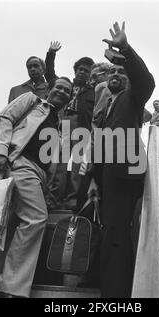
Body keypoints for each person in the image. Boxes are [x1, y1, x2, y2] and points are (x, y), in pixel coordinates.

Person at [0, 77, 73, 298]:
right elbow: (5, 117)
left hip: (38, 175)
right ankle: (11, 289)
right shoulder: (32, 101)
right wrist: (0, 151)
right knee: (36, 218)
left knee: (10, 232)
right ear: (50, 90)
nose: (62, 92)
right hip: (20, 163)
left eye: (67, 91)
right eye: (59, 88)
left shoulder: (58, 122)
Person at [90, 21, 155, 297]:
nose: (116, 74)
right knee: (109, 234)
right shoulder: (109, 106)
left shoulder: (133, 98)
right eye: (112, 71)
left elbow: (146, 80)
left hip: (125, 175)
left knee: (117, 234)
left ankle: (116, 296)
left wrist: (125, 49)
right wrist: (94, 181)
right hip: (108, 179)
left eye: (121, 71)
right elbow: (102, 147)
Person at [45, 43, 96, 210]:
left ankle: (72, 199)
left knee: (77, 165)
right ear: (75, 70)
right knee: (59, 162)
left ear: (90, 74)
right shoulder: (65, 85)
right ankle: (53, 198)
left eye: (86, 70)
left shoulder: (93, 90)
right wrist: (51, 53)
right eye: (80, 69)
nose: (82, 72)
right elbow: (49, 74)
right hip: (63, 123)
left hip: (82, 126)